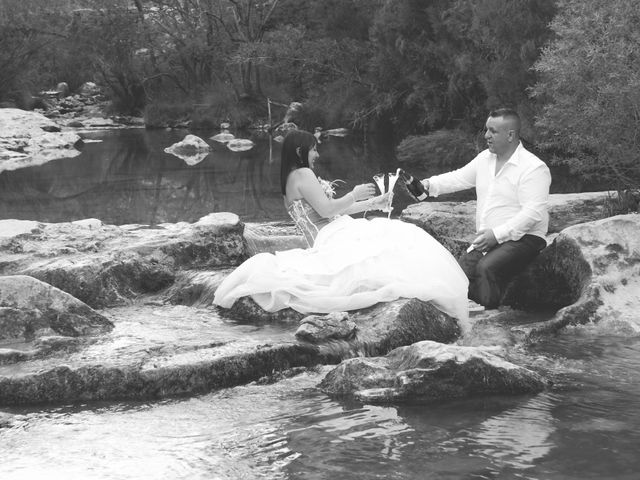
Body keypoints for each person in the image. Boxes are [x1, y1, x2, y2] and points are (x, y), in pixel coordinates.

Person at [213, 129, 469, 320]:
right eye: (313, 149)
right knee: (396, 236)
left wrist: (373, 203)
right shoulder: (303, 174)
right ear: (302, 151)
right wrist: (355, 194)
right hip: (330, 236)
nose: (317, 154)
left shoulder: (291, 178)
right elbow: (327, 209)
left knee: (386, 232)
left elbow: (329, 212)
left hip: (328, 232)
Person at [421, 108, 551, 309]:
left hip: (526, 238)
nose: (486, 136)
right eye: (486, 130)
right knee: (457, 277)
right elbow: (458, 178)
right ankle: (480, 313)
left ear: (510, 135)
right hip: (489, 240)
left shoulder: (534, 168)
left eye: (493, 131)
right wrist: (427, 185)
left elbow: (533, 214)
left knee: (485, 268)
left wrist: (497, 235)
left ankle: (490, 321)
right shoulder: (484, 159)